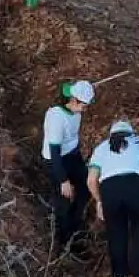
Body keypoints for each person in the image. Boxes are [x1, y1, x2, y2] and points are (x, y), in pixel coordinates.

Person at [87, 119, 139, 277]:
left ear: (111, 134)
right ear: (130, 132)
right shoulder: (138, 142)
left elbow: (91, 180)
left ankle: (119, 276)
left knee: (116, 232)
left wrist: (99, 201)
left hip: (110, 191)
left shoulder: (101, 148)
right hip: (136, 187)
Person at [43, 79, 96, 251]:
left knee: (86, 187)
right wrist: (63, 180)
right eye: (84, 105)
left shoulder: (75, 110)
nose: (85, 110)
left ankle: (78, 221)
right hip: (57, 162)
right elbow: (54, 153)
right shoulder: (57, 119)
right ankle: (65, 239)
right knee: (64, 201)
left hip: (73, 155)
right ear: (74, 100)